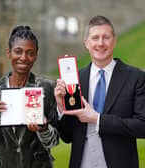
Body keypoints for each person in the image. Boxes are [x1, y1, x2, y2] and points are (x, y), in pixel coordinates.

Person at [54, 15, 145, 168]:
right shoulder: (74, 79)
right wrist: (61, 108)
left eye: (106, 37)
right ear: (86, 43)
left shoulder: (136, 77)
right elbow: (67, 136)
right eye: (95, 38)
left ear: (114, 41)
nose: (100, 43)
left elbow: (142, 126)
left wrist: (98, 119)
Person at [0, 25, 59, 168]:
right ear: (9, 53)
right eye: (18, 51)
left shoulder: (47, 88)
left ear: (36, 56)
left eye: (30, 53)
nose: (23, 58)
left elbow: (54, 141)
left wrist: (43, 129)